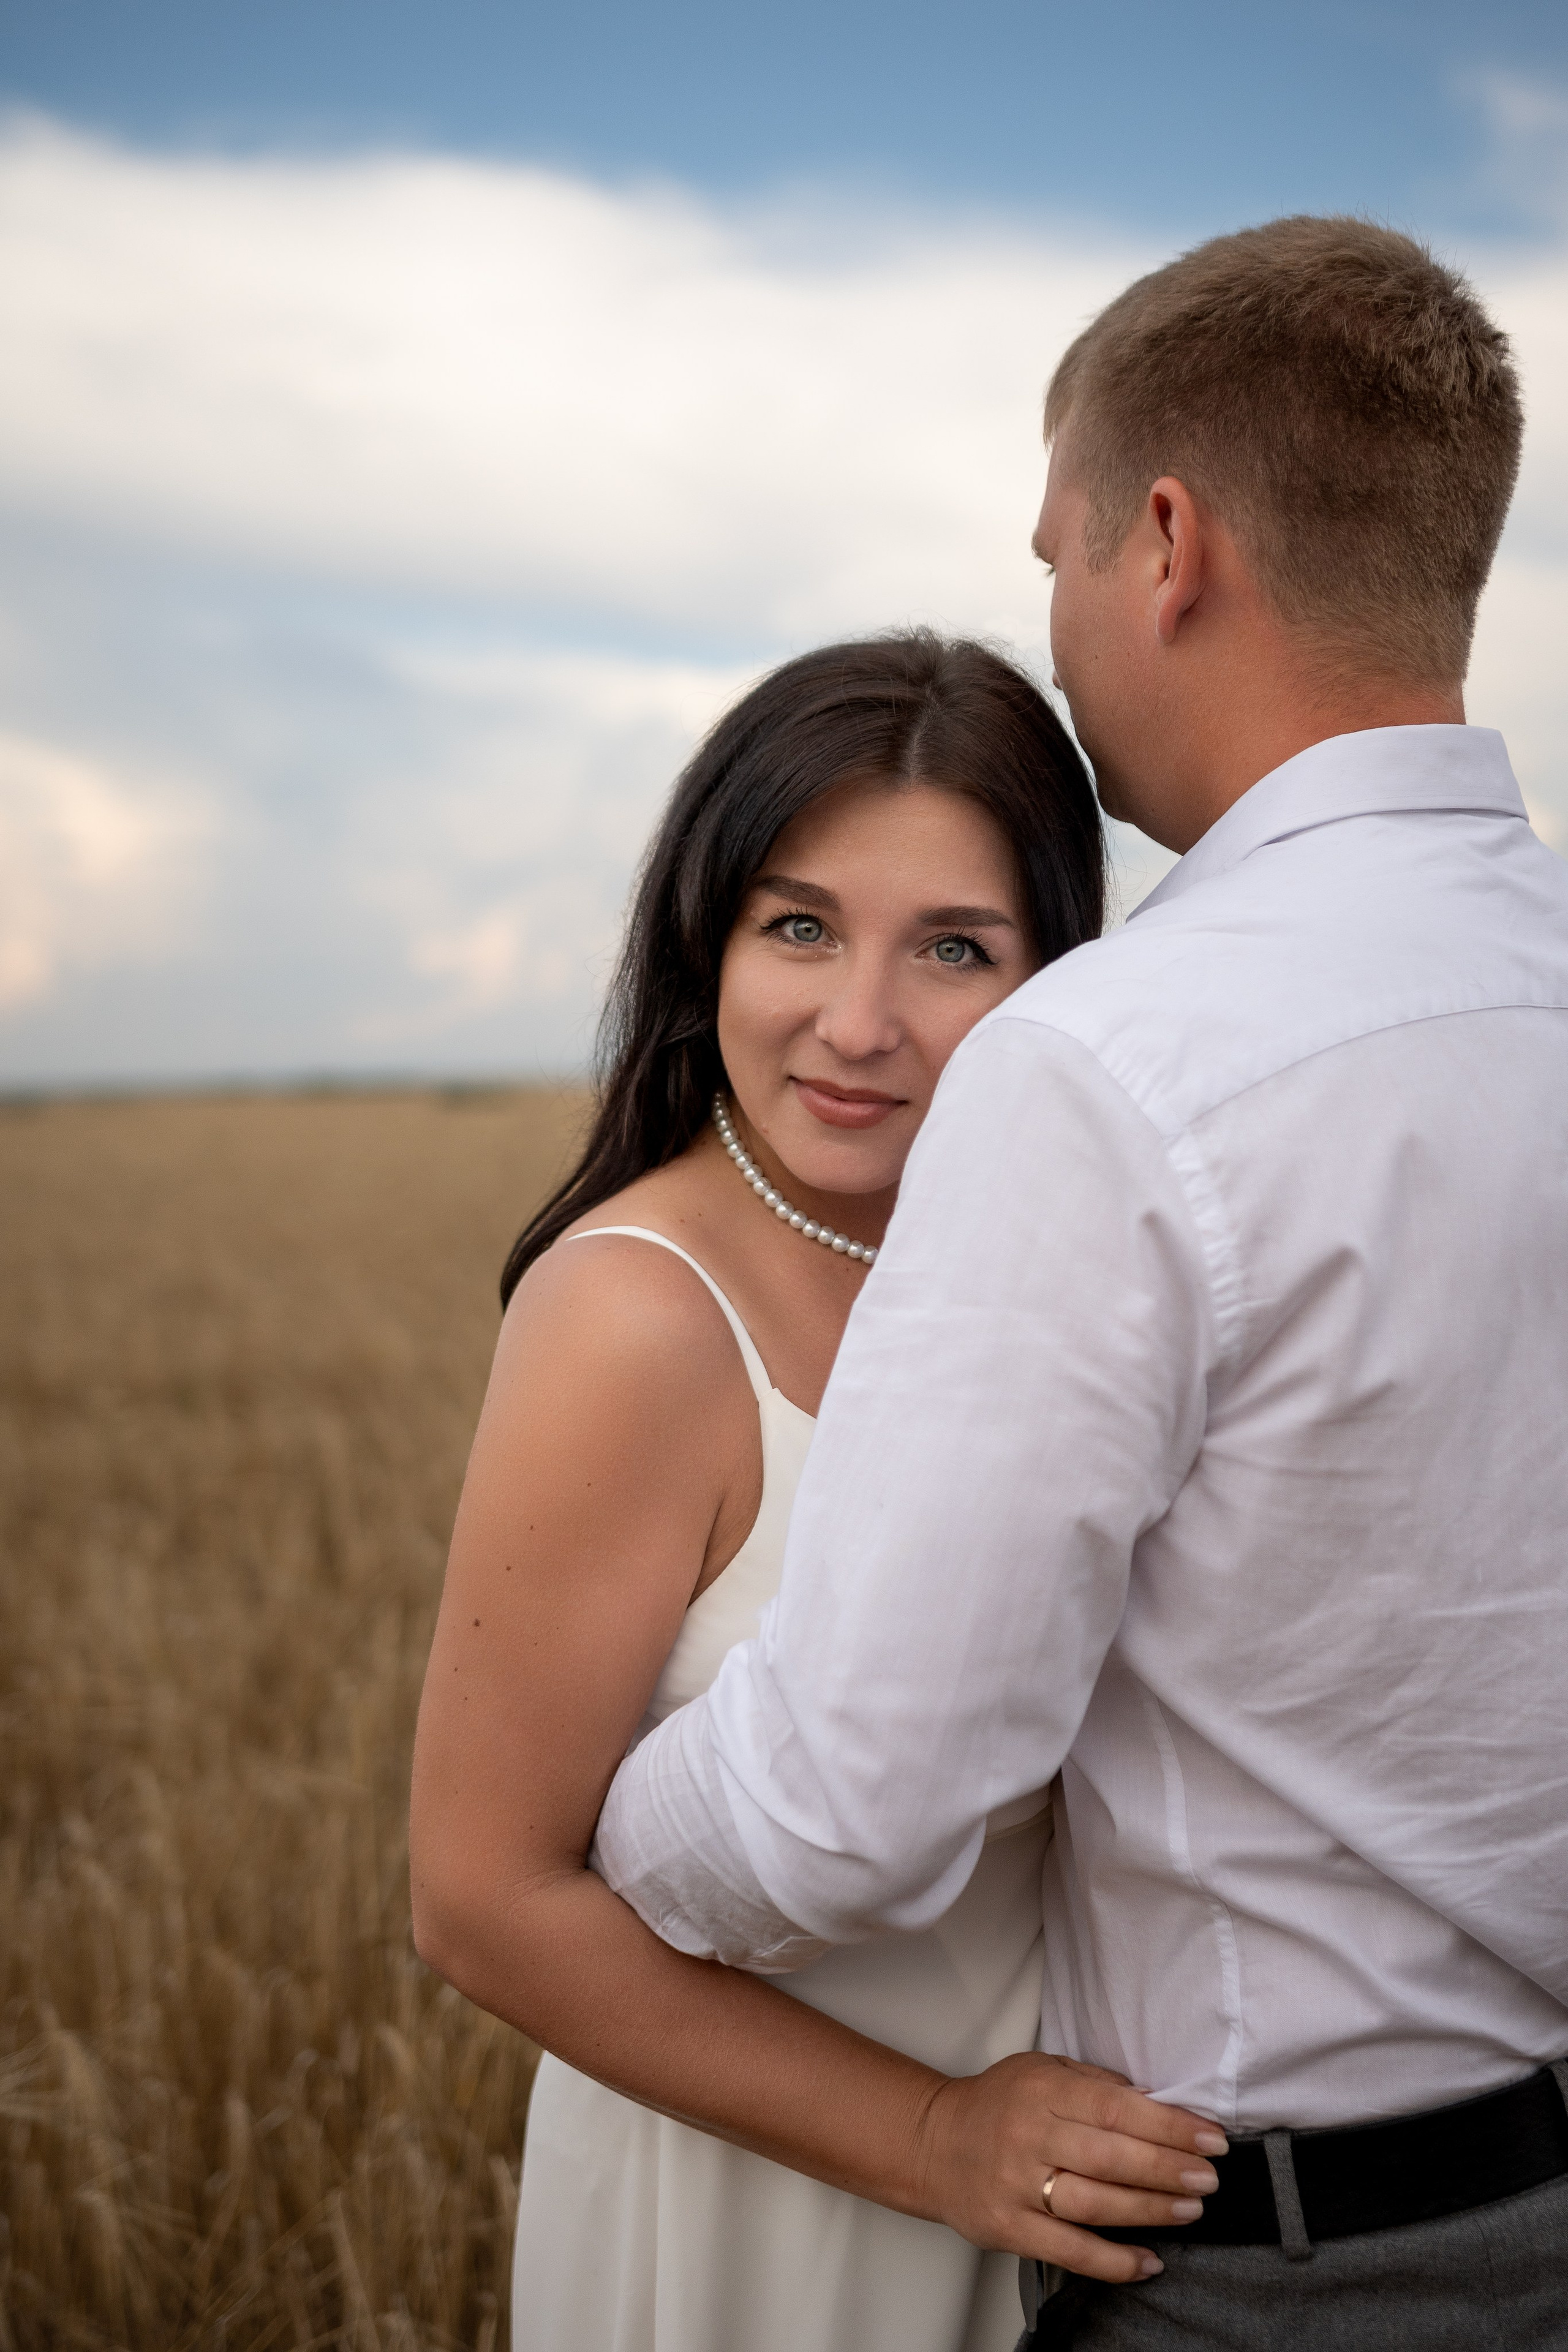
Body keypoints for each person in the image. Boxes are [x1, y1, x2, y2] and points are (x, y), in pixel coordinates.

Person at [592, 217, 1568, 2350]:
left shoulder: (1113, 1059)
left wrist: (599, 1830)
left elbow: (851, 1810)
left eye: (1056, 556)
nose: (1051, 622)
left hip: (1282, 2264)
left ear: (1167, 545)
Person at [409, 632, 1226, 2352]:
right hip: (765, 2214)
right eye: (800, 927)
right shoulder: (635, 1317)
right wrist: (933, 2141)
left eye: (954, 948)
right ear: (704, 937)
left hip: (1050, 2207)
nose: (860, 1025)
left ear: (1054, 980)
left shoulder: (1061, 1283)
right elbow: (483, 1902)